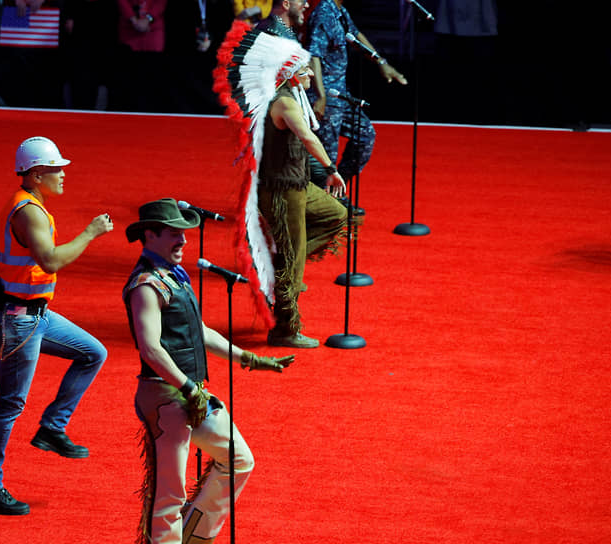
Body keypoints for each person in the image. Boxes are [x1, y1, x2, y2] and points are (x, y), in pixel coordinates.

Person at [123, 198, 294, 544]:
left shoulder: (174, 278)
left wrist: (249, 358)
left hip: (191, 394)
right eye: (174, 233)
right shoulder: (145, 286)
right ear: (150, 236)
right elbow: (150, 349)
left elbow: (199, 331)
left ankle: (194, 536)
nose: (184, 240)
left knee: (239, 459)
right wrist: (188, 388)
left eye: (185, 233)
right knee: (169, 496)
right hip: (166, 398)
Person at [0, 136, 114, 515]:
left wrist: (2, 278)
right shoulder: (30, 212)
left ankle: (52, 428)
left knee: (93, 353)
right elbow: (51, 261)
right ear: (36, 175)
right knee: (9, 404)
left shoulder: (21, 205)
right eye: (56, 170)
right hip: (20, 321)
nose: (64, 175)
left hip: (31, 314)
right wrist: (90, 233)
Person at [214, 23, 352, 348]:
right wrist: (331, 169)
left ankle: (284, 267)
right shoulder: (286, 103)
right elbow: (306, 137)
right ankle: (285, 329)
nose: (309, 75)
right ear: (291, 75)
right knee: (293, 253)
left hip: (296, 184)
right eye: (304, 71)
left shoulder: (295, 97)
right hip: (281, 190)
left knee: (337, 215)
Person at [305, 0, 406, 185]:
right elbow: (314, 56)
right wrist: (320, 96)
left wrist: (381, 62)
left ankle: (336, 190)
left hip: (341, 95)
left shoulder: (340, 10)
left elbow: (356, 36)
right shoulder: (324, 13)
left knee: (365, 137)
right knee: (327, 157)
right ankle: (322, 204)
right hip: (327, 96)